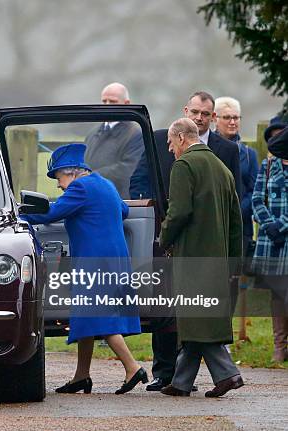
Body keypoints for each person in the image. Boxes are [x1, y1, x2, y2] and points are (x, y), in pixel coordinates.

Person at [20, 143, 148, 395]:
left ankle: (133, 367)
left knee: (98, 316)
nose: (58, 185)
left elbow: (51, 213)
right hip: (116, 260)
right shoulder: (105, 184)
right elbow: (122, 211)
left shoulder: (79, 187)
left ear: (71, 172)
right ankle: (81, 376)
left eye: (58, 177)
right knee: (87, 315)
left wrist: (19, 216)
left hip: (94, 261)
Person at [145, 91, 243, 392]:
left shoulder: (184, 166)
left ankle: (228, 375)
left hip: (192, 257)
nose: (171, 150)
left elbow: (179, 212)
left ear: (182, 138)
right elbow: (236, 219)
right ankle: (181, 382)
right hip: (218, 258)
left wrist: (164, 239)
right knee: (197, 320)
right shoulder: (221, 168)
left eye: (171, 144)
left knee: (195, 319)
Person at [251, 121, 288, 363]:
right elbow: (256, 198)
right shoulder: (267, 166)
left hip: (284, 235)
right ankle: (280, 346)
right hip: (271, 241)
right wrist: (269, 225)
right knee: (277, 293)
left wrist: (282, 225)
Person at [84, 83, 144, 199]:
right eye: (104, 101)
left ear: (126, 104)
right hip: (90, 198)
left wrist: (89, 177)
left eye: (112, 102)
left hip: (117, 201)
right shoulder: (92, 134)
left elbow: (127, 170)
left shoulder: (136, 134)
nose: (107, 105)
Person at [214, 97, 258, 252]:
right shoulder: (208, 149)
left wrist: (237, 211)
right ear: (215, 119)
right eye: (227, 117)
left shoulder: (249, 154)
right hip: (213, 224)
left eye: (236, 117)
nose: (232, 122)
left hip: (242, 225)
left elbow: (255, 190)